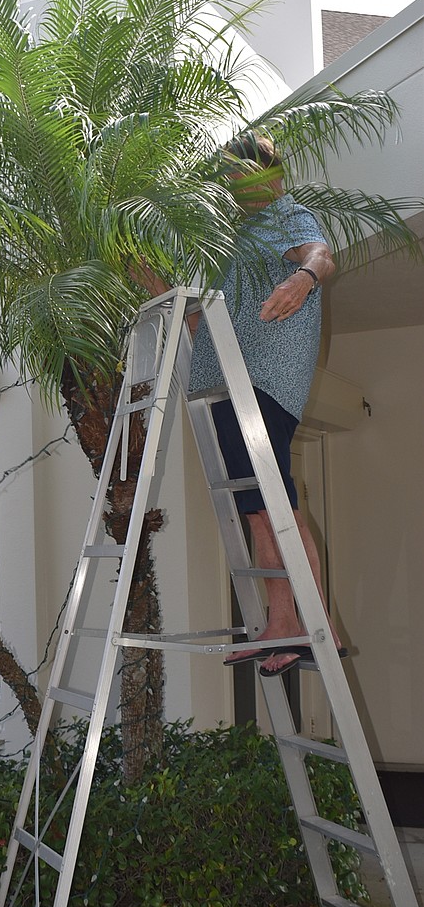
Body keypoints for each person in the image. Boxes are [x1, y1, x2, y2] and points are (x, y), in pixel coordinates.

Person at [137, 132, 345, 677]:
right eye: (229, 178)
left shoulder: (286, 215)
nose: (235, 187)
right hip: (222, 377)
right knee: (255, 508)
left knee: (275, 501)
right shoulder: (230, 234)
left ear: (271, 177)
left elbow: (320, 256)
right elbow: (200, 311)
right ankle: (281, 623)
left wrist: (302, 280)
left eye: (243, 177)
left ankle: (318, 621)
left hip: (266, 379)